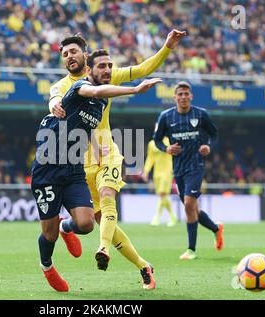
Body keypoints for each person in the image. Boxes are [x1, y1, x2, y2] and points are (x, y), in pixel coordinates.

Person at [49, 30, 185, 289]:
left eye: (74, 51)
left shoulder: (105, 74)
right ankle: (143, 266)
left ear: (85, 56)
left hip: (108, 154)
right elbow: (54, 98)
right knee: (99, 220)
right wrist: (54, 105)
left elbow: (144, 68)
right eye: (65, 54)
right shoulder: (62, 86)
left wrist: (167, 47)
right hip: (80, 163)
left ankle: (103, 249)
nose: (109, 69)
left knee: (108, 198)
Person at [32, 49, 161, 292]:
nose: (108, 71)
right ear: (90, 69)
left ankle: (86, 238)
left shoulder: (101, 102)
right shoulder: (80, 86)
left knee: (88, 223)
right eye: (102, 66)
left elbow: (87, 124)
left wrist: (96, 147)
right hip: (48, 165)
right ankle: (47, 266)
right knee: (48, 234)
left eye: (110, 66)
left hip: (74, 166)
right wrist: (134, 90)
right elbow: (80, 94)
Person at [153, 81, 224, 260]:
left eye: (186, 94)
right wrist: (166, 149)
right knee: (191, 208)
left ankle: (191, 250)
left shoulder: (201, 114)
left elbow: (214, 134)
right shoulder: (166, 117)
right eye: (180, 94)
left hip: (196, 166)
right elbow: (157, 140)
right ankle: (216, 228)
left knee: (189, 204)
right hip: (178, 169)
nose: (183, 97)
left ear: (191, 96)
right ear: (175, 97)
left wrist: (208, 146)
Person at [142, 137, 178, 227]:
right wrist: (146, 171)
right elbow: (150, 158)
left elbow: (176, 155)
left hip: (167, 172)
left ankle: (156, 217)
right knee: (163, 196)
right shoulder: (151, 143)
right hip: (156, 173)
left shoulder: (170, 141)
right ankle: (173, 217)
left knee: (162, 193)